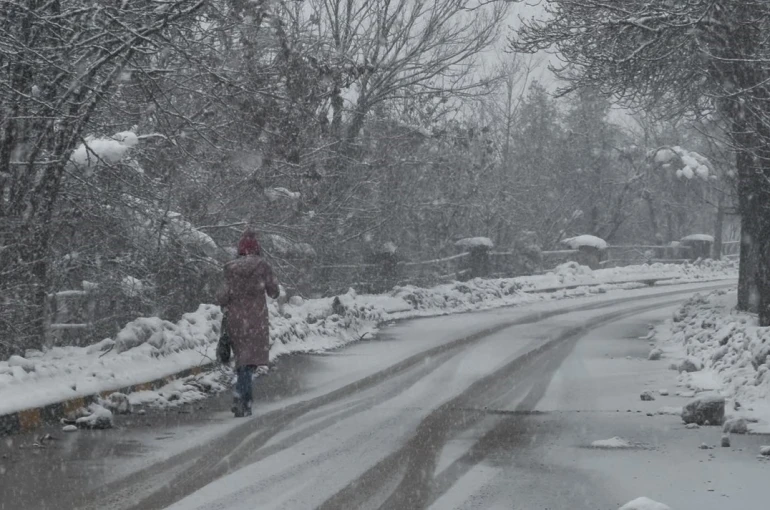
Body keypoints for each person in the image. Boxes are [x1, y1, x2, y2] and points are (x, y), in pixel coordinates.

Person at [218, 229, 280, 417]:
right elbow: (273, 291)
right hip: (255, 320)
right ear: (257, 249)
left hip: (235, 320)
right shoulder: (262, 266)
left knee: (242, 360)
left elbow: (222, 296)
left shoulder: (230, 268)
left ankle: (244, 400)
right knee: (249, 362)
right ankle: (242, 398)